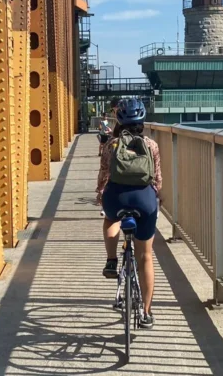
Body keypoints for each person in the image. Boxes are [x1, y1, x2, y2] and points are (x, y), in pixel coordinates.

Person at [95, 98, 161, 329]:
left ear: (119, 120)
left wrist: (100, 196)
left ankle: (112, 260)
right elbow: (157, 180)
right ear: (142, 120)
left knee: (110, 218)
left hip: (117, 198)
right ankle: (145, 312)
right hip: (144, 201)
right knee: (145, 256)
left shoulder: (111, 144)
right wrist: (154, 198)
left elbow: (104, 175)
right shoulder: (151, 145)